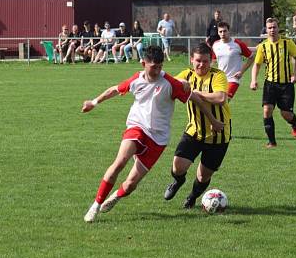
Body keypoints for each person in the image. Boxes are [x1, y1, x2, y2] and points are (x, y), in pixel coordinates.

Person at [83, 45, 224, 223]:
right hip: (137, 128)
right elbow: (115, 89)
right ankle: (95, 206)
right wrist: (94, 102)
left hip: (158, 139)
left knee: (130, 184)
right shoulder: (136, 79)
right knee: (119, 163)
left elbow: (195, 99)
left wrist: (212, 120)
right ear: (143, 63)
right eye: (153, 67)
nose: (157, 71)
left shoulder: (171, 84)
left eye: (160, 67)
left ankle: (116, 196)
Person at [163, 43, 231, 209]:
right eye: (198, 61)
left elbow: (221, 98)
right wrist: (179, 83)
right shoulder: (187, 74)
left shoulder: (218, 76)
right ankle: (178, 181)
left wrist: (194, 92)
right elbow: (171, 84)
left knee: (203, 176)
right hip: (194, 131)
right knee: (177, 166)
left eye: (206, 61)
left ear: (211, 61)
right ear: (192, 60)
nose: (202, 65)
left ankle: (192, 197)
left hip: (218, 135)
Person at [250, 17, 296, 148]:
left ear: (278, 28)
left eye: (274, 27)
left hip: (286, 85)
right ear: (266, 30)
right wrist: (253, 80)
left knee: (286, 114)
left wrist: (295, 75)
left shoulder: (287, 43)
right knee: (267, 110)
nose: (272, 30)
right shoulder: (263, 46)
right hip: (270, 84)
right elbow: (257, 64)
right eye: (269, 28)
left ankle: (294, 124)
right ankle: (272, 142)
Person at [211, 21, 254, 99]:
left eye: (225, 31)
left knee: (224, 101)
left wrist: (241, 71)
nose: (223, 33)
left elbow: (251, 57)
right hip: (220, 78)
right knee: (217, 103)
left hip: (233, 79)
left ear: (229, 31)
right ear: (218, 32)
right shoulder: (215, 45)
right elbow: (213, 61)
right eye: (220, 31)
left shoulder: (238, 44)